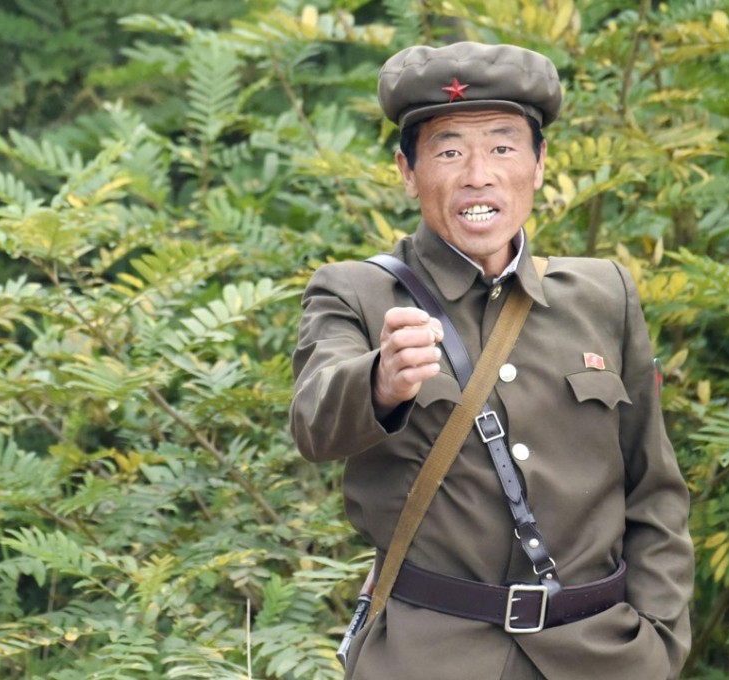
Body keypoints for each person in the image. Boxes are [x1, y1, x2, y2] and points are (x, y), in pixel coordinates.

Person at [290, 41, 694, 680]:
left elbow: (654, 487)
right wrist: (381, 378)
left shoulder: (602, 294)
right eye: (449, 150)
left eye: (503, 146)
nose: (478, 173)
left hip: (602, 655)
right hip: (428, 657)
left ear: (537, 166)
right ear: (407, 170)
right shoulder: (356, 293)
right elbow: (314, 422)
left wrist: (659, 641)